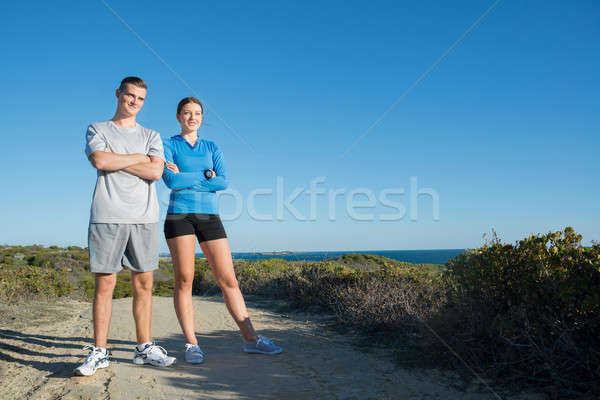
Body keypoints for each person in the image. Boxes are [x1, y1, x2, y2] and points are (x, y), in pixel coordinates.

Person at [162, 97, 282, 363]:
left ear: (202, 118)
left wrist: (189, 177)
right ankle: (192, 345)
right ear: (179, 116)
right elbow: (171, 180)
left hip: (209, 217)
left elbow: (224, 182)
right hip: (178, 216)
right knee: (184, 279)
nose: (192, 117)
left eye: (197, 113)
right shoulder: (168, 144)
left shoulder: (212, 146)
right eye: (187, 113)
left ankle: (252, 339)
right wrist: (206, 175)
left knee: (228, 279)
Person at [75, 77, 176, 376]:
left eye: (140, 98)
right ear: (118, 94)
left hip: (144, 217)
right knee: (105, 284)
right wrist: (138, 158)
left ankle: (144, 348)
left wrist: (118, 160)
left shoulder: (151, 135)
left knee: (143, 285)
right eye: (129, 95)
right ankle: (100, 351)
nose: (133, 102)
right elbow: (99, 161)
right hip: (107, 215)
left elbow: (156, 172)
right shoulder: (98, 129)